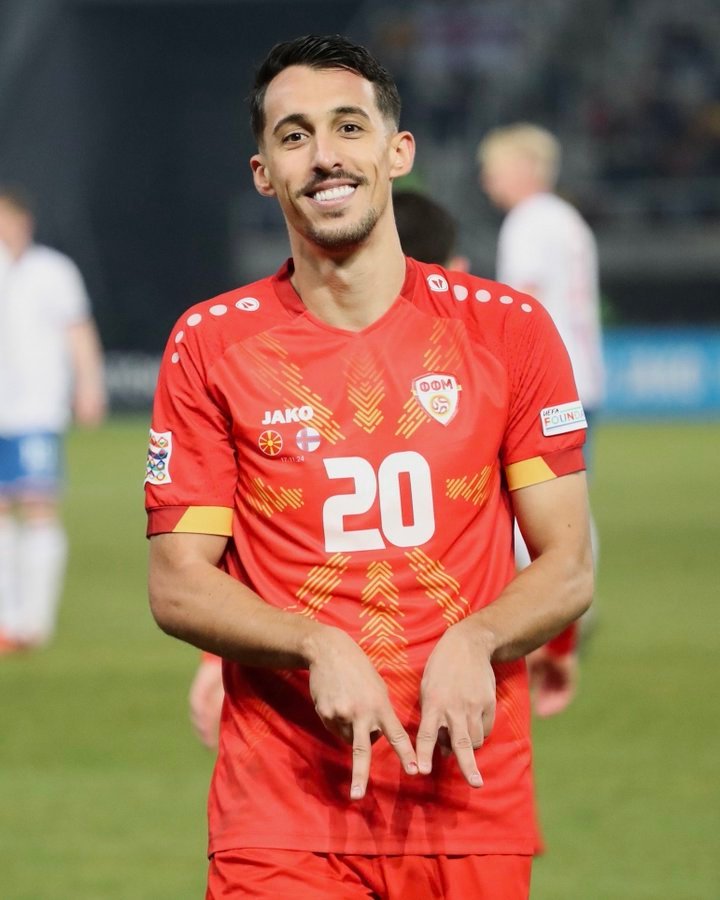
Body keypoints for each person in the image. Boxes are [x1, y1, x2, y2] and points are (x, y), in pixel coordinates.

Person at [146, 35, 593, 899]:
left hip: (466, 799)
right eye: (294, 135)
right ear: (263, 173)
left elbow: (567, 561)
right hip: (281, 810)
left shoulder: (509, 329)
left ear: (398, 150)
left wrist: (480, 636)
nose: (325, 156)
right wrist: (312, 644)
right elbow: (176, 585)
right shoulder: (211, 343)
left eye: (348, 127)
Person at [478, 124, 605, 709]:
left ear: (526, 167)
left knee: (536, 504)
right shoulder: (567, 219)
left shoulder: (528, 222)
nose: (488, 179)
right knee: (569, 498)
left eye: (496, 167)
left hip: (546, 381)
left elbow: (517, 300)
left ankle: (551, 610)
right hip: (584, 373)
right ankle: (573, 602)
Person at [0, 188, 106, 654]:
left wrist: (89, 386)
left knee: (39, 503)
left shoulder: (54, 271)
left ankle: (35, 622)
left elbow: (78, 331)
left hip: (37, 408)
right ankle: (6, 619)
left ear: (25, 222)